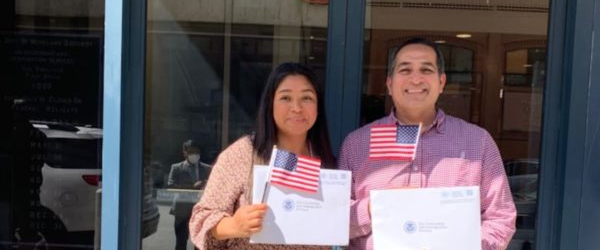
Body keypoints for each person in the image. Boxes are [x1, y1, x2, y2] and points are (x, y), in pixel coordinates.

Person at [338, 37, 516, 250]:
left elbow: (501, 217)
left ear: (441, 83)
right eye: (405, 70)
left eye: (426, 70)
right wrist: (373, 208)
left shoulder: (477, 143)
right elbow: (335, 220)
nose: (416, 79)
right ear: (389, 84)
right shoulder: (357, 145)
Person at [189, 62, 336, 250]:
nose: (297, 107)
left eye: (307, 98)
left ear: (318, 107)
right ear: (270, 104)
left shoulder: (326, 163)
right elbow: (201, 219)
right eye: (286, 98)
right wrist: (234, 225)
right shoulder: (244, 153)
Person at [168, 140, 212, 250]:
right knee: (181, 242)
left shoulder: (207, 168)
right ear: (185, 153)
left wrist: (206, 185)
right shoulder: (177, 168)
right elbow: (171, 186)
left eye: (197, 152)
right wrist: (192, 186)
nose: (195, 155)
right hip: (182, 211)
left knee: (199, 243)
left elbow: (213, 187)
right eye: (191, 152)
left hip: (201, 211)